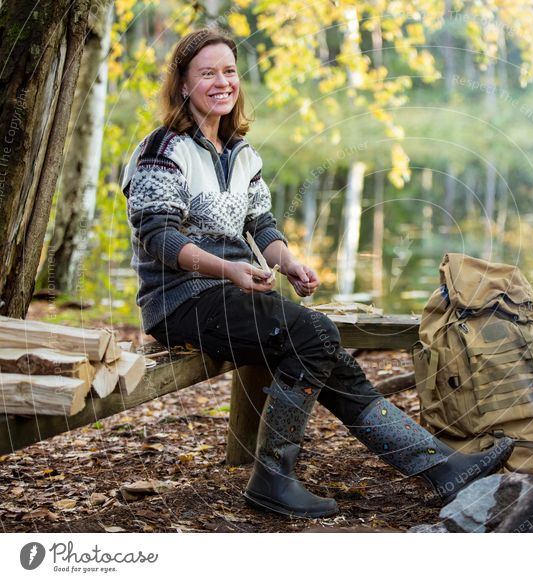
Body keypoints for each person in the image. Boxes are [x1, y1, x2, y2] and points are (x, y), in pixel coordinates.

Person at [122, 28, 513, 519]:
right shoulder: (164, 149)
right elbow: (158, 238)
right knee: (315, 334)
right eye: (207, 74)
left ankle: (442, 468)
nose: (222, 82)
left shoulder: (241, 153)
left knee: (326, 351)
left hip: (231, 294)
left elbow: (259, 224)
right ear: (182, 84)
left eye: (229, 72)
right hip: (181, 300)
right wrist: (230, 269)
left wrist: (287, 262)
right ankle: (271, 479)